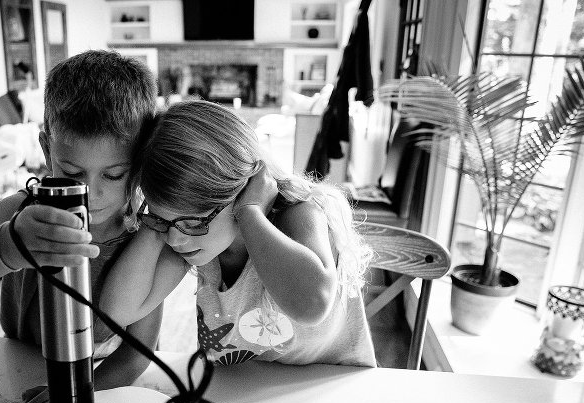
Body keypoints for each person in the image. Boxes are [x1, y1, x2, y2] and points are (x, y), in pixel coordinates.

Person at [0, 50, 161, 403]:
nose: (91, 193)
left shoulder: (143, 234)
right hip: (19, 367)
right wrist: (7, 247)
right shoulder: (22, 212)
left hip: (105, 380)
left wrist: (84, 388)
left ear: (141, 162)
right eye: (72, 171)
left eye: (113, 175)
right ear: (47, 150)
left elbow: (139, 350)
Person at [99, 100, 376, 367]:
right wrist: (154, 221)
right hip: (243, 392)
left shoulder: (298, 215)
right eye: (164, 219)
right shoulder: (191, 239)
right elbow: (118, 311)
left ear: (242, 189)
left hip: (330, 389)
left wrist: (251, 213)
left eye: (194, 221)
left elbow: (312, 305)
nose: (174, 238)